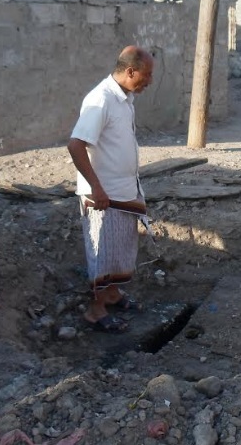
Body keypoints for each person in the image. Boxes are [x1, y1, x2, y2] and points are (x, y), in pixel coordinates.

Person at [67, 46, 155, 333]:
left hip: (124, 190)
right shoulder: (100, 99)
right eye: (146, 75)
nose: (149, 81)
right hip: (104, 196)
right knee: (103, 254)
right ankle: (96, 310)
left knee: (121, 250)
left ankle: (114, 295)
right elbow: (76, 145)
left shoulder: (125, 98)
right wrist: (96, 188)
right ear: (130, 71)